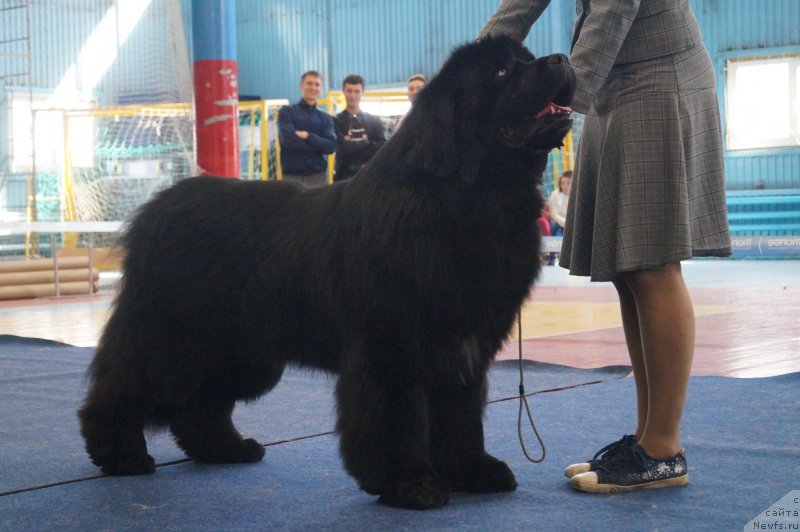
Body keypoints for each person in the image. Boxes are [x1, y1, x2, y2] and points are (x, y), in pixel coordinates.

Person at [480, 0, 732, 493]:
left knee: (653, 265)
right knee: (628, 270)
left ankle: (662, 449)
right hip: (614, 86)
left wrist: (557, 97)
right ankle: (649, 438)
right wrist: (471, 71)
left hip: (657, 77)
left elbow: (614, 8)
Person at [278, 70, 337, 186]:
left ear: (321, 88)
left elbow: (331, 146)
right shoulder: (287, 112)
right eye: (309, 83)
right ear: (301, 86)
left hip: (318, 176)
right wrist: (319, 145)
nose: (313, 87)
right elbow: (289, 142)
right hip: (292, 176)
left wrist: (308, 136)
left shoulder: (326, 118)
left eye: (317, 84)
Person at [333, 75, 387, 182]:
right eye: (349, 91)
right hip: (342, 177)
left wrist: (350, 144)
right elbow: (342, 148)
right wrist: (368, 143)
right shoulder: (335, 121)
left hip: (368, 177)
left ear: (363, 92)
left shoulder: (374, 121)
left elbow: (382, 147)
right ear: (343, 91)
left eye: (357, 91)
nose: (353, 95)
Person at [546, 170, 572, 265]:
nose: (565, 186)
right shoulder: (555, 195)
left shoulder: (577, 195)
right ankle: (553, 256)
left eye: (568, 183)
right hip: (559, 222)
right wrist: (566, 223)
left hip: (572, 223)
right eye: (563, 183)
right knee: (554, 228)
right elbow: (554, 214)